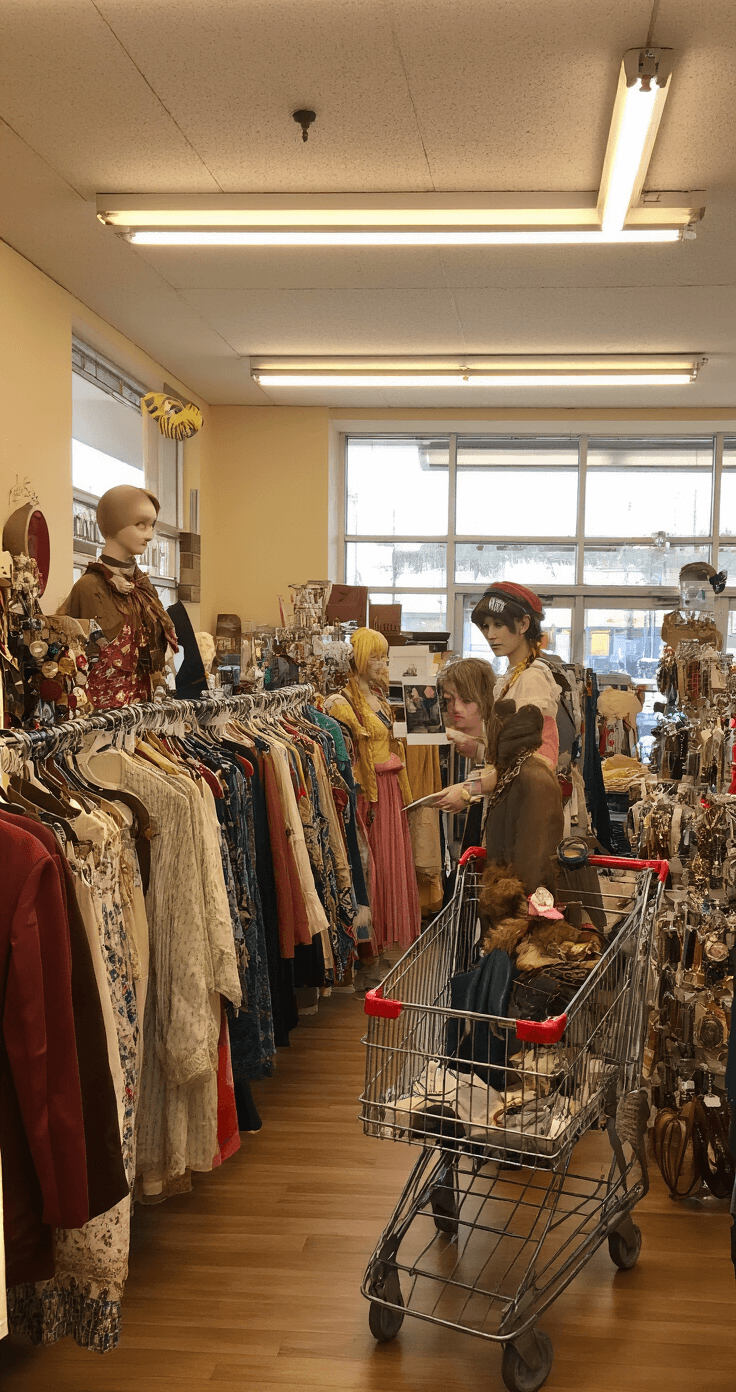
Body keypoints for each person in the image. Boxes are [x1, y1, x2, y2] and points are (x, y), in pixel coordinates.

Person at [471, 582, 560, 770]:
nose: (490, 635)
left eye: (498, 624)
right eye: (486, 626)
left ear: (523, 624)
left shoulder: (531, 678)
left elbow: (538, 759)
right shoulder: (514, 676)